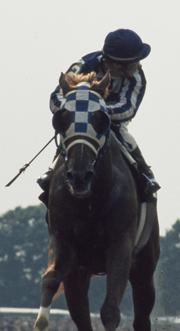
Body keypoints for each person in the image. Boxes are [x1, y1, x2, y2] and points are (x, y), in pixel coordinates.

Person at [40, 28, 160, 203]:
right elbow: (56, 96)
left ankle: (145, 173)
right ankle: (51, 172)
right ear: (117, 64)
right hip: (79, 116)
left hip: (112, 119)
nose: (137, 68)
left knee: (123, 134)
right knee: (72, 135)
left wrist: (99, 111)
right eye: (134, 64)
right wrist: (75, 110)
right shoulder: (84, 65)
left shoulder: (137, 77)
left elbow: (128, 108)